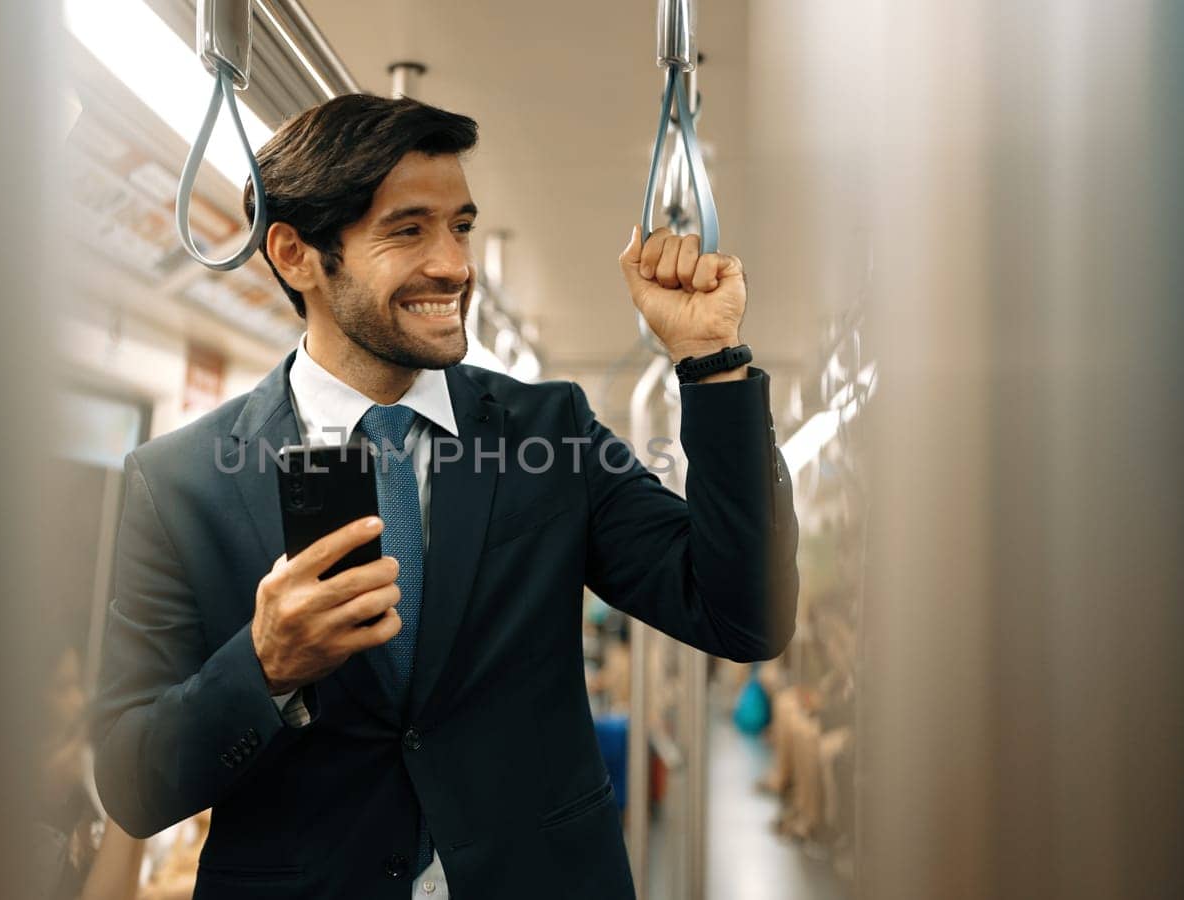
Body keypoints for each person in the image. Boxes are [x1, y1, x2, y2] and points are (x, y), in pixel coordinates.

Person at [91, 94, 799, 899]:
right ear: (295, 255)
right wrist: (265, 666)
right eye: (408, 229)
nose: (455, 264)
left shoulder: (548, 428)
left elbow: (744, 614)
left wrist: (713, 366)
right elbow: (132, 783)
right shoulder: (181, 480)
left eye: (459, 225)